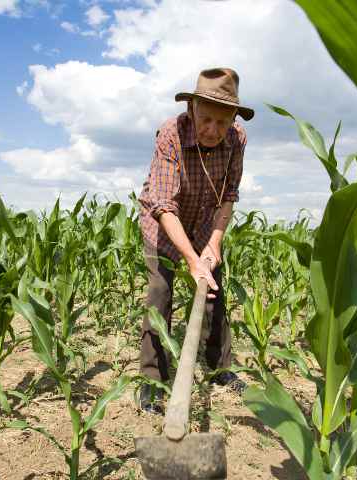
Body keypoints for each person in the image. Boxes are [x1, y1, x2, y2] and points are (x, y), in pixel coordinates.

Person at [137, 67, 254, 414]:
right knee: (160, 292)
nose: (213, 131)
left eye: (222, 122)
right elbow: (163, 204)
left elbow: (229, 195)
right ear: (192, 110)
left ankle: (220, 369)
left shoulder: (237, 139)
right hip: (165, 224)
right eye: (206, 120)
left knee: (214, 291)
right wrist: (190, 259)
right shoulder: (171, 133)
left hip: (206, 224)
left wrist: (214, 244)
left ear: (233, 117)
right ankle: (152, 382)